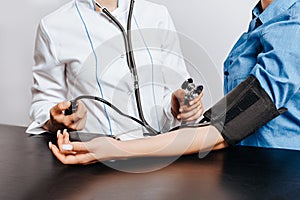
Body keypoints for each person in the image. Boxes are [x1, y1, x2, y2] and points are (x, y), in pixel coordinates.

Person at [49, 0, 300, 164]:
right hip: (248, 167)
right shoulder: (264, 15)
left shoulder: (294, 22)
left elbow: (228, 126)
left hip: (282, 171)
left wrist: (115, 149)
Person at [27, 0, 204, 140]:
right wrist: (55, 121)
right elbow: (44, 102)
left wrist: (179, 106)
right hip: (97, 163)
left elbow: (176, 89)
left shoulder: (157, 15)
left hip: (160, 156)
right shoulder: (53, 26)